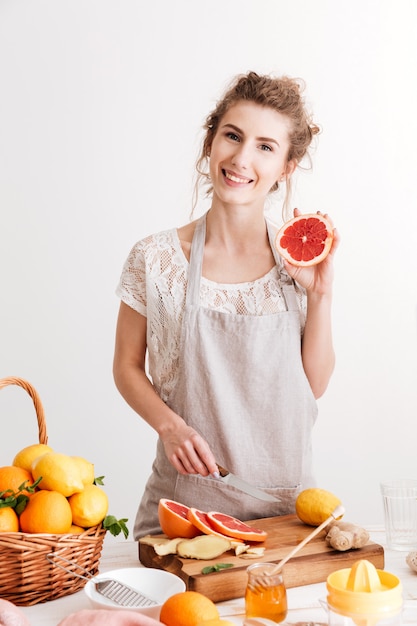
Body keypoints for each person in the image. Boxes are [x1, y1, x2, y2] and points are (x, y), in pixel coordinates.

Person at [113, 71, 340, 539]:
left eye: (265, 146)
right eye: (232, 136)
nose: (241, 158)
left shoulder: (295, 264)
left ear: (287, 167)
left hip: (289, 517)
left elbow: (311, 386)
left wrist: (320, 294)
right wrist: (170, 427)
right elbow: (126, 366)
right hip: (184, 514)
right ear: (210, 142)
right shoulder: (155, 258)